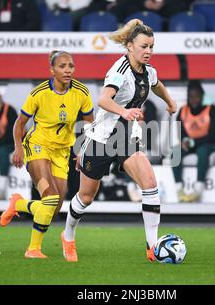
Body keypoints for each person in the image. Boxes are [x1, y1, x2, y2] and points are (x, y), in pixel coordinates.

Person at [60, 19, 177, 263]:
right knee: (86, 197)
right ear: (130, 46)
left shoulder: (148, 71)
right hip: (101, 139)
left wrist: (170, 102)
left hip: (126, 138)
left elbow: (156, 85)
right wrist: (125, 112)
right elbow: (103, 100)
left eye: (151, 47)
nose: (148, 52)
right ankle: (68, 235)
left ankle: (152, 247)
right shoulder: (119, 71)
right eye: (144, 47)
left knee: (150, 184)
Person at [0, 50, 94, 259]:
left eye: (71, 66)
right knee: (49, 197)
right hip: (37, 146)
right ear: (52, 70)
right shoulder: (39, 93)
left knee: (54, 207)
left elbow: (90, 124)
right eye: (62, 66)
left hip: (62, 152)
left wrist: (82, 149)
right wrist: (18, 147)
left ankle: (19, 204)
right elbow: (19, 123)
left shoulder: (81, 92)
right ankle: (33, 249)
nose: (68, 70)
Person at [172, 80, 215, 203]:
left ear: (202, 96)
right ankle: (179, 190)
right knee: (175, 151)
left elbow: (213, 136)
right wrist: (184, 141)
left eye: (197, 96)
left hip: (210, 145)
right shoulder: (183, 111)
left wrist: (192, 142)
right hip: (190, 145)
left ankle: (198, 189)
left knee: (202, 150)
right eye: (191, 97)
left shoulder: (213, 110)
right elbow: (180, 133)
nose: (194, 100)